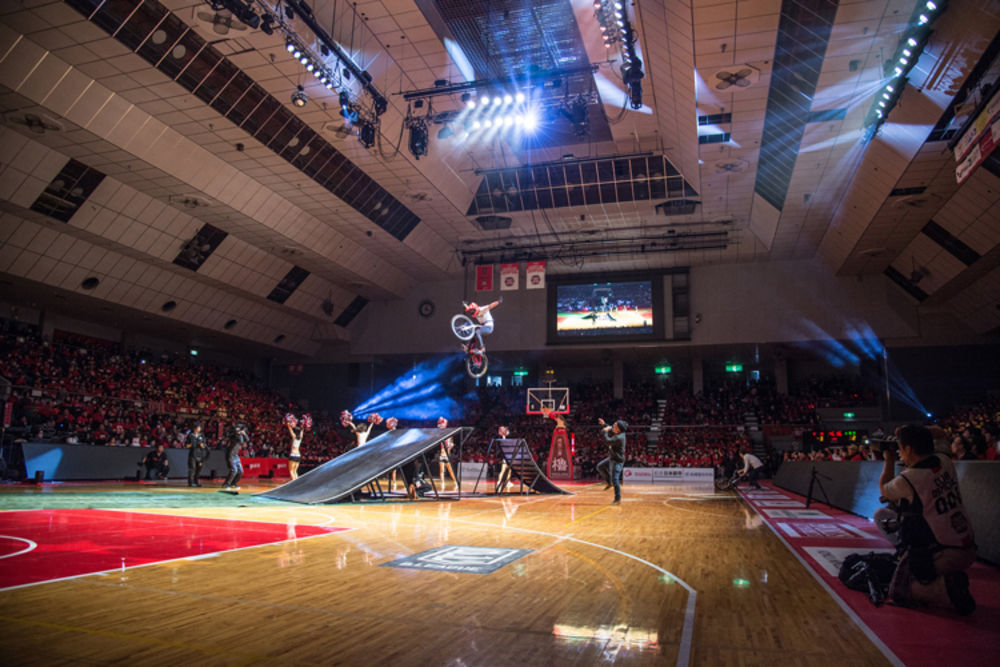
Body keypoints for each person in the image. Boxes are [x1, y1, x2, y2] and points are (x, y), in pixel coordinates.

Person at [875, 424, 977, 615]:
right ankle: (944, 579)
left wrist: (888, 460)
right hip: (968, 546)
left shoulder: (909, 478)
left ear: (909, 449)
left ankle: (946, 589)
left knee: (899, 589)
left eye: (900, 447)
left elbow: (884, 489)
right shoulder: (944, 461)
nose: (900, 452)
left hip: (942, 552)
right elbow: (942, 439)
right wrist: (922, 432)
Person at [596, 418, 627, 504]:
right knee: (600, 466)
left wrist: (605, 431)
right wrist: (604, 424)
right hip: (612, 458)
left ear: (618, 429)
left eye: (615, 426)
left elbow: (607, 441)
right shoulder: (618, 432)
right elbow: (610, 427)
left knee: (615, 479)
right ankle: (609, 483)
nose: (613, 426)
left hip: (618, 460)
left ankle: (618, 498)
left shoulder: (619, 437)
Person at [222, 422, 249, 491]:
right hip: (230, 454)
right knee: (234, 470)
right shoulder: (233, 435)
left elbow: (247, 440)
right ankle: (226, 484)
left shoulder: (240, 435)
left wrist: (243, 433)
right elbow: (228, 435)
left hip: (236, 455)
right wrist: (237, 433)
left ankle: (234, 483)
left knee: (241, 471)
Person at [437, 417, 458, 492]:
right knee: (442, 470)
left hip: (447, 455)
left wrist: (451, 446)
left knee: (450, 470)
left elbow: (452, 443)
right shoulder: (441, 435)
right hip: (441, 455)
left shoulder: (449, 436)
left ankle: (455, 482)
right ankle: (442, 483)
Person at [185, 423, 208, 487]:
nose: (199, 428)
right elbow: (186, 445)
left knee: (199, 468)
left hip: (199, 454)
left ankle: (196, 481)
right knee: (192, 468)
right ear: (195, 428)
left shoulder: (202, 436)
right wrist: (192, 445)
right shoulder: (190, 435)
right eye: (198, 427)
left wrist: (202, 445)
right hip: (192, 454)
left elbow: (204, 445)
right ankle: (190, 482)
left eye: (200, 427)